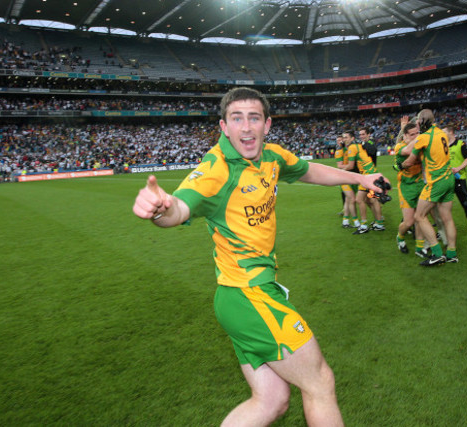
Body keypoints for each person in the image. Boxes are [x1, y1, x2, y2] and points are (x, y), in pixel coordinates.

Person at [133, 87, 387, 426]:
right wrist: (158, 210)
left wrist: (361, 178)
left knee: (271, 400)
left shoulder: (273, 156)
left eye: (254, 118)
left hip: (238, 296)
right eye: (237, 119)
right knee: (320, 381)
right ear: (224, 127)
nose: (247, 127)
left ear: (267, 125)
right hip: (247, 294)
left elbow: (310, 171)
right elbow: (178, 208)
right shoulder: (217, 169)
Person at [400, 109, 458, 266]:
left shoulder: (424, 137)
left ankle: (437, 253)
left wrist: (400, 165)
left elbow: (410, 159)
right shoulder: (441, 133)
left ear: (419, 122)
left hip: (436, 181)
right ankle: (452, 252)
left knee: (419, 216)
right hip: (449, 178)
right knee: (447, 217)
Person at [393, 118, 427, 257]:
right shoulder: (399, 146)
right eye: (412, 134)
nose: (416, 136)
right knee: (408, 222)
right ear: (405, 136)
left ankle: (420, 248)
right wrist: (420, 137)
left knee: (420, 217)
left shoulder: (420, 144)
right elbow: (408, 150)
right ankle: (400, 237)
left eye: (417, 133)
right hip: (406, 187)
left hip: (420, 184)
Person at [444, 125, 467, 229]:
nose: (442, 135)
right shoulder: (443, 146)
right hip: (445, 179)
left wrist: (458, 168)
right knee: (441, 203)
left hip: (459, 178)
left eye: (444, 132)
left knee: (465, 201)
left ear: (451, 132)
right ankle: (441, 225)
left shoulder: (460, 144)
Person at [359, 127, 386, 231]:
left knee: (373, 200)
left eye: (363, 134)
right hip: (366, 175)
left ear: (368, 134)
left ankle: (379, 222)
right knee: (367, 200)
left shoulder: (370, 143)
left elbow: (372, 151)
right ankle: (378, 219)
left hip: (371, 176)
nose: (361, 136)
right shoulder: (362, 144)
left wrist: (363, 145)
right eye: (360, 134)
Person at [335, 134, 359, 228]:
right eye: (340, 140)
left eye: (343, 139)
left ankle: (345, 221)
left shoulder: (351, 149)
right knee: (352, 199)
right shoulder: (339, 151)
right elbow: (339, 166)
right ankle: (356, 222)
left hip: (352, 177)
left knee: (348, 200)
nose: (341, 141)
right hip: (344, 178)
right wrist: (349, 167)